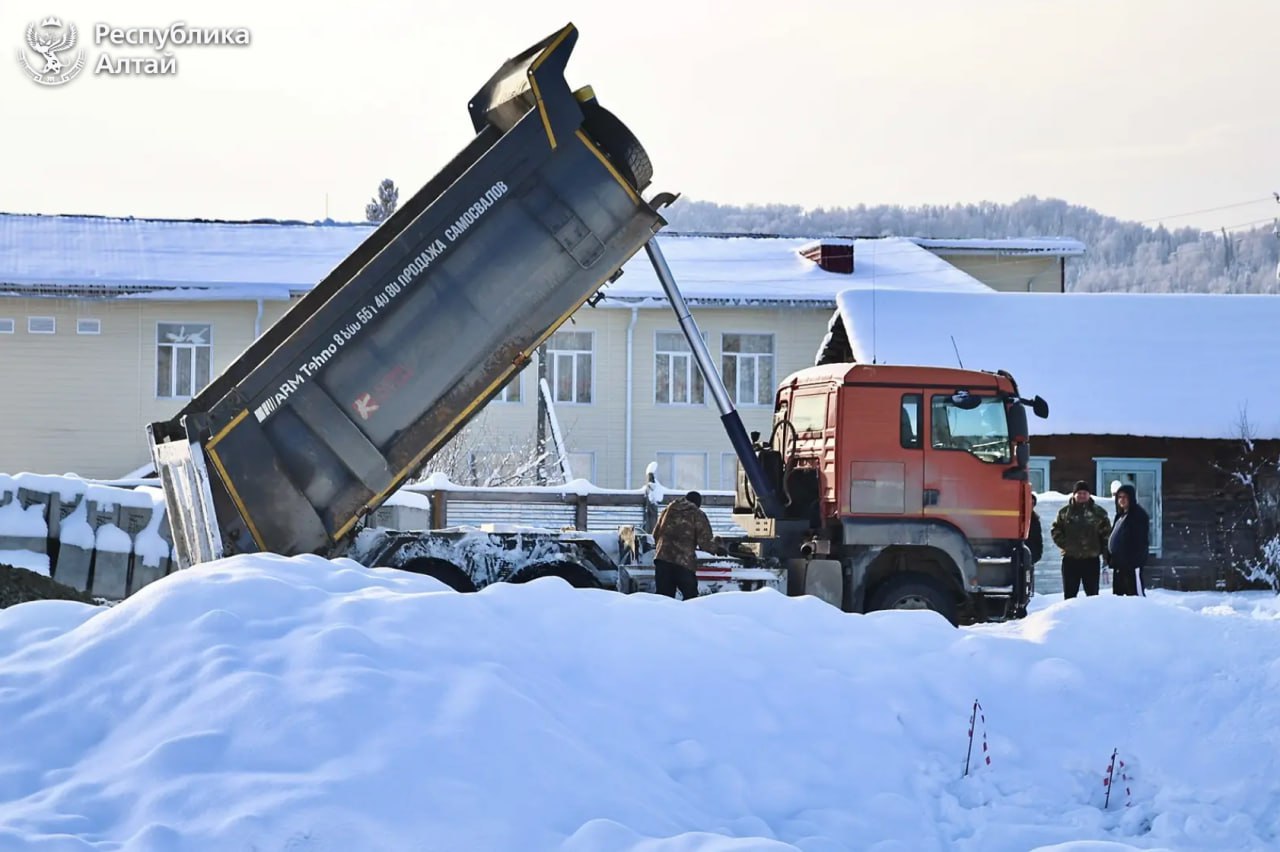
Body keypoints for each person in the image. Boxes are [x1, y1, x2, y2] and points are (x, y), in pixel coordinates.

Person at [1050, 480, 1113, 598]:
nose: (1082, 495)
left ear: (1089, 495)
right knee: (1070, 595)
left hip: (1091, 560)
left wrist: (1105, 555)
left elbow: (1106, 535)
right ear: (1074, 495)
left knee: (1092, 595)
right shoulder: (1064, 513)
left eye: (1085, 493)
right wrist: (1066, 545)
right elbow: (1055, 530)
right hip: (1070, 560)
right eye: (1079, 493)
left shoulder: (1099, 513)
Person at [651, 490, 715, 600]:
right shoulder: (697, 513)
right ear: (698, 503)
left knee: (664, 599)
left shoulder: (668, 509)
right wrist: (719, 548)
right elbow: (705, 543)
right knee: (691, 600)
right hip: (683, 563)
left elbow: (655, 534)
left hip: (662, 561)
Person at [1108, 484, 1150, 596]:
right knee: (1119, 597)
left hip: (1132, 565)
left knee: (1135, 595)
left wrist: (1134, 561)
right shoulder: (1120, 516)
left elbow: (1140, 542)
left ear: (1131, 498)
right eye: (1119, 497)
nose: (1122, 500)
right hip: (1119, 565)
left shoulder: (1138, 515)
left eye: (1125, 497)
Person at [1028, 493, 1044, 566]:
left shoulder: (1035, 520)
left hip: (1029, 559)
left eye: (1032, 503)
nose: (1030, 506)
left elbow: (1038, 540)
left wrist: (1035, 556)